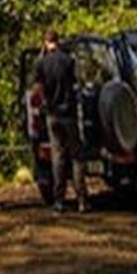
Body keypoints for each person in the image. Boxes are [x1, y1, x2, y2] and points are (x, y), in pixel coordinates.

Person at [33, 29, 87, 212]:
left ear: (45, 42)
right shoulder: (68, 60)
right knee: (77, 156)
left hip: (52, 114)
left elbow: (38, 88)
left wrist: (45, 103)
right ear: (58, 40)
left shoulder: (42, 63)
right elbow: (76, 84)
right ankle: (81, 199)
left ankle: (59, 201)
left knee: (58, 157)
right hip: (68, 113)